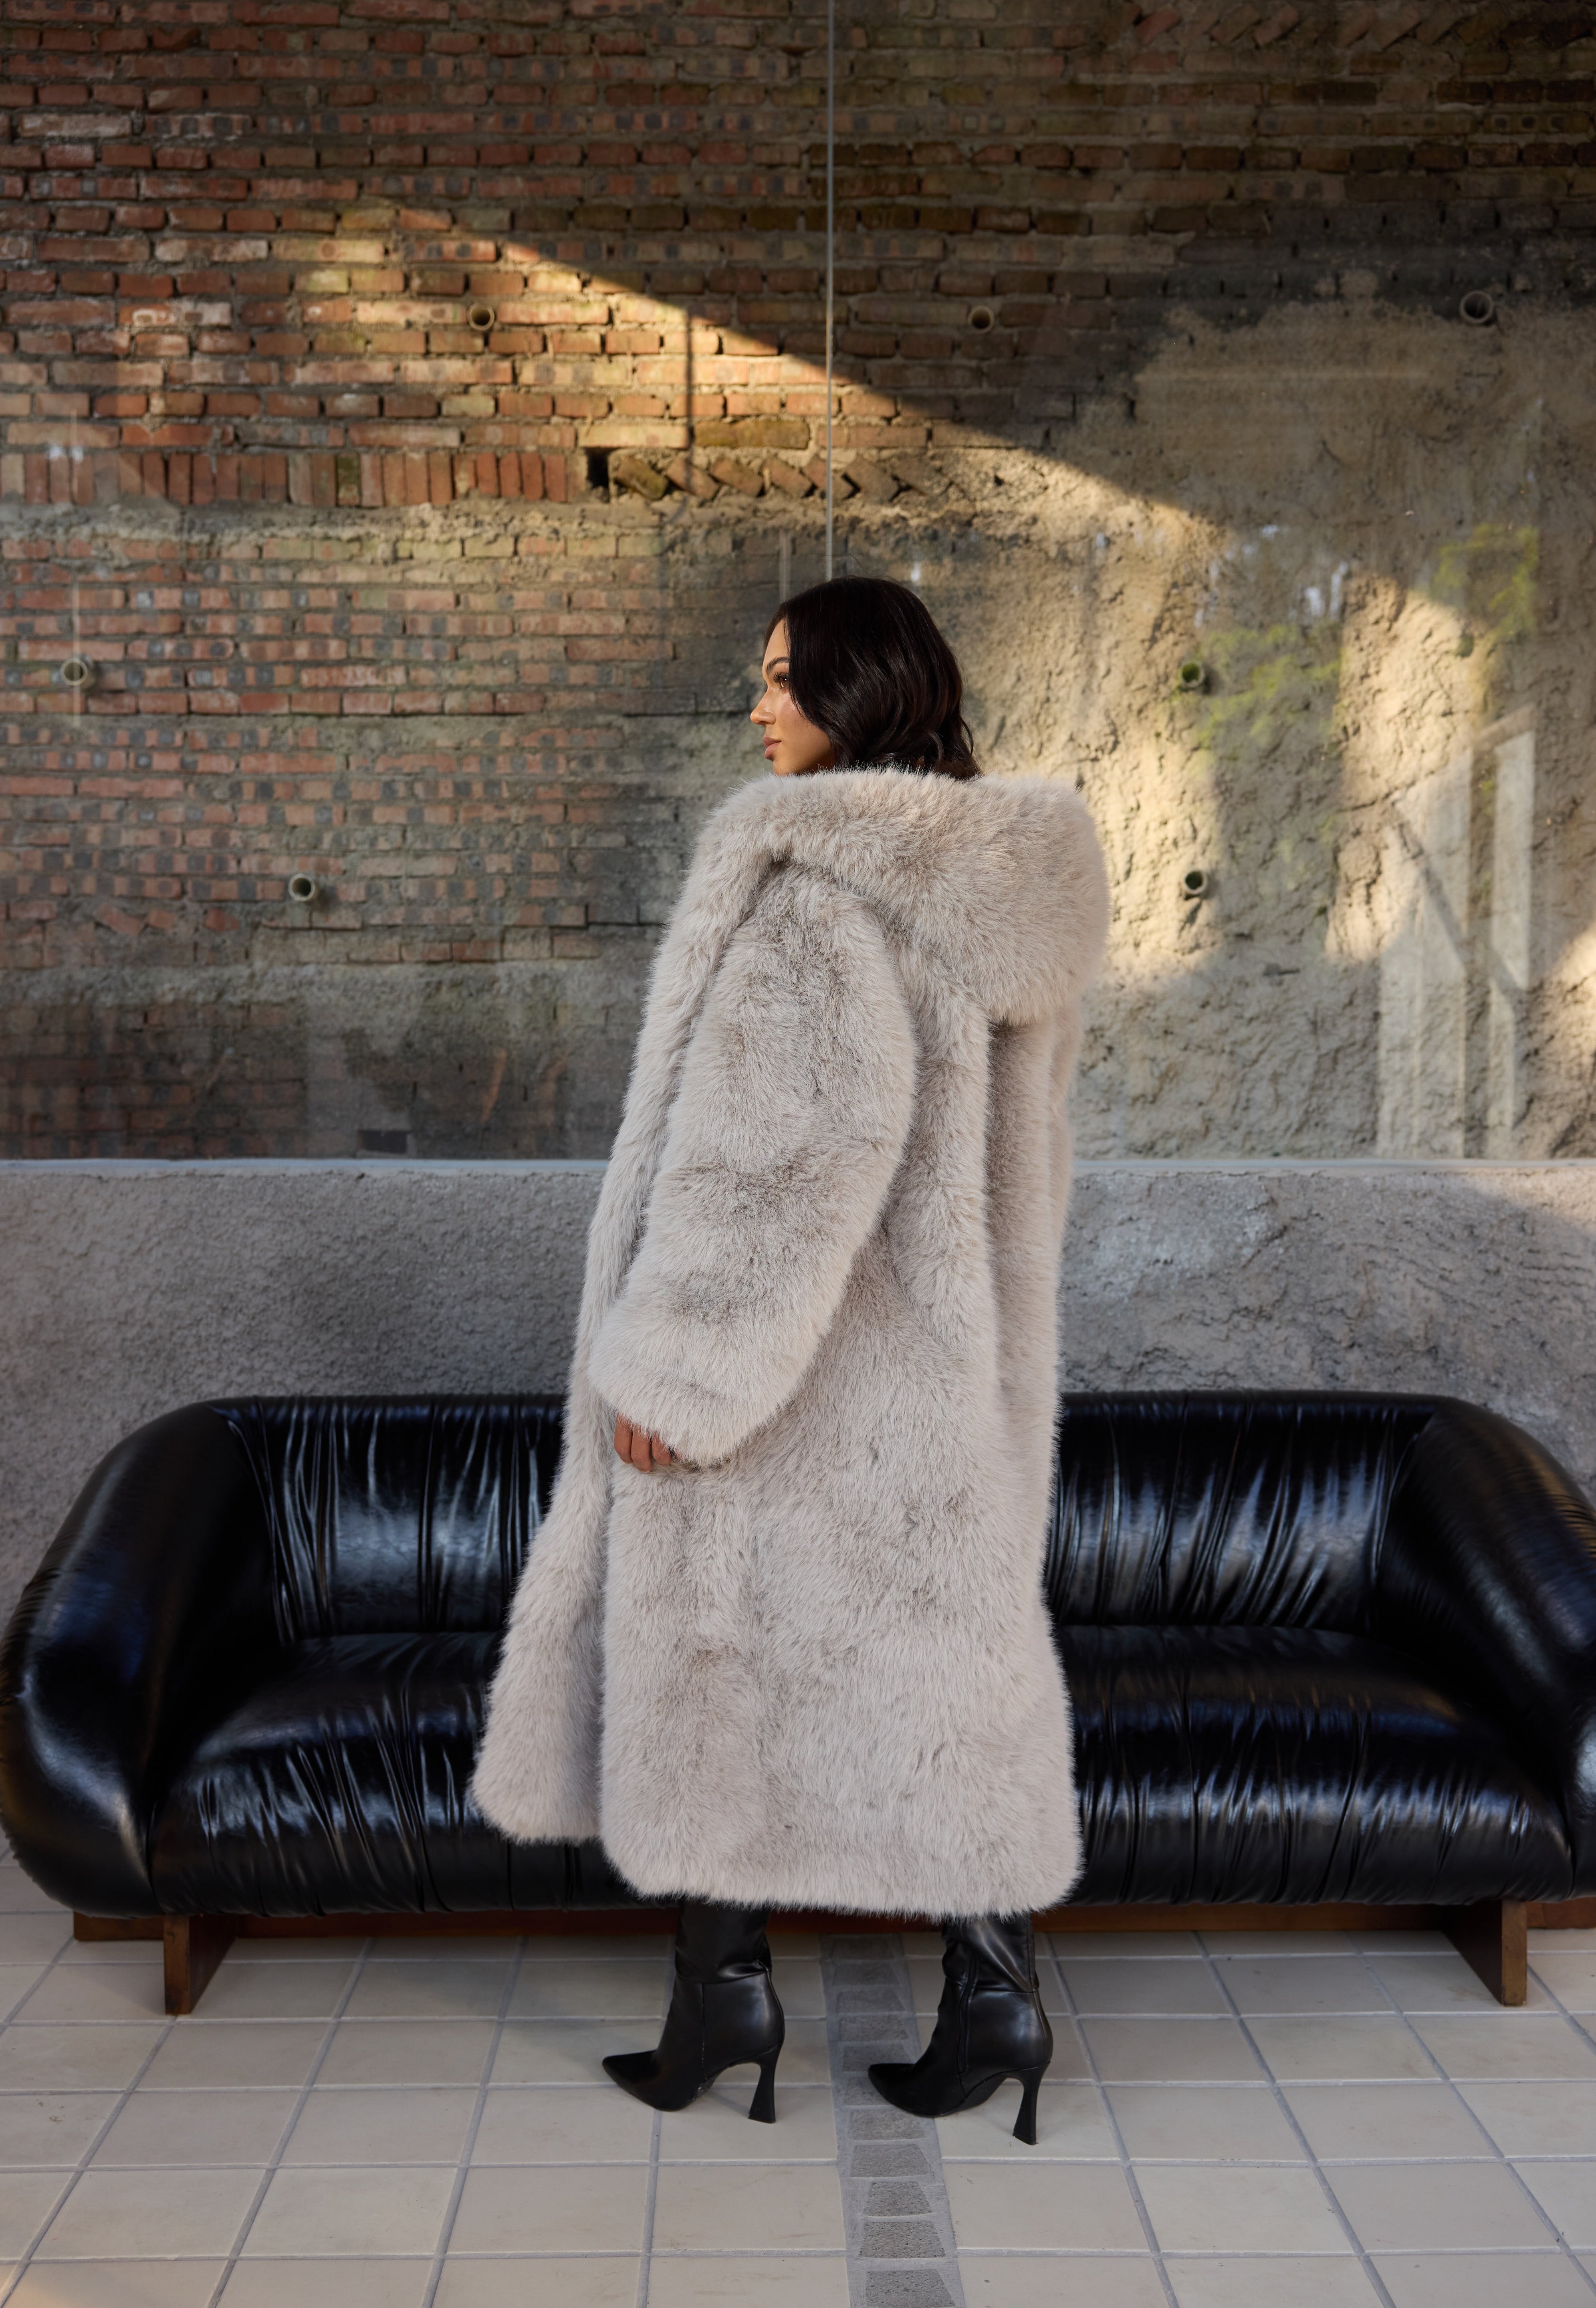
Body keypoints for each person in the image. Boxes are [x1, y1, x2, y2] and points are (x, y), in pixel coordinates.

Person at [474, 575, 1108, 2145]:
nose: (756, 707)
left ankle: (724, 1998)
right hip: (935, 1389)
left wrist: (678, 1384)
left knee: (720, 1676)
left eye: (780, 678)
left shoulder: (819, 886)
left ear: (856, 687)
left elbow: (776, 1166)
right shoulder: (989, 891)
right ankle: (993, 2001)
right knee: (938, 1683)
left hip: (784, 1397)